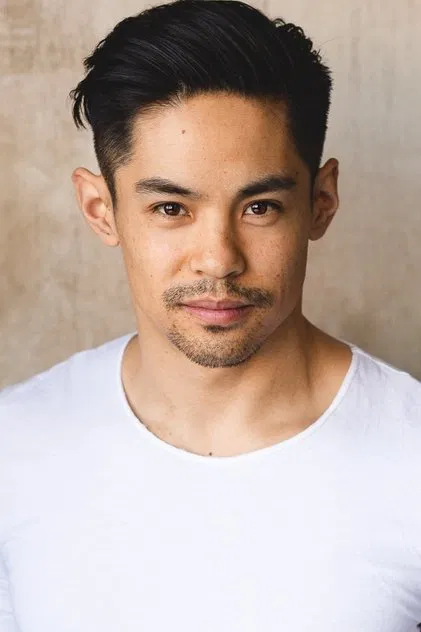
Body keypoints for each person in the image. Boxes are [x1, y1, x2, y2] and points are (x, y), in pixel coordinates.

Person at [0, 0, 420, 630]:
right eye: (171, 209)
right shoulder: (14, 447)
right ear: (100, 210)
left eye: (260, 207)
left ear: (321, 201)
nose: (219, 260)